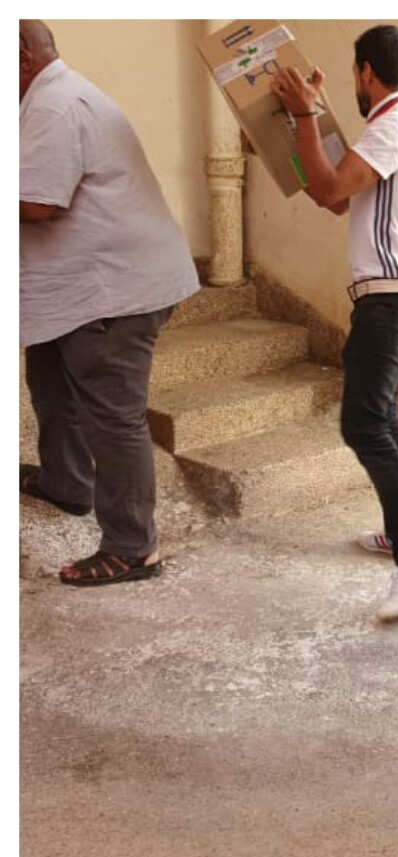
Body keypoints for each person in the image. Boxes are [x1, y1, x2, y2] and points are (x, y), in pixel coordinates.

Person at [269, 25, 398, 621]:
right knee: (381, 416)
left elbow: (328, 186)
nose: (354, 84)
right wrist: (304, 122)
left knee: (363, 422)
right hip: (390, 298)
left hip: (394, 299)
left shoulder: (395, 125)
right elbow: (337, 198)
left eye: (354, 75)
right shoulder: (390, 125)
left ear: (367, 71)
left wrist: (306, 114)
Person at [19, 20, 198, 587]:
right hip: (83, 288)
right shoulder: (49, 98)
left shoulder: (55, 105)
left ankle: (131, 547)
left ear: (20, 55)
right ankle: (67, 483)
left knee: (113, 416)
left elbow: (38, 203)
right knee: (49, 377)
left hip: (112, 292)